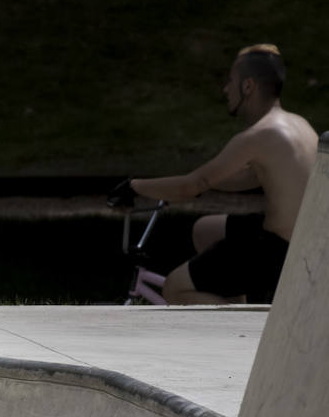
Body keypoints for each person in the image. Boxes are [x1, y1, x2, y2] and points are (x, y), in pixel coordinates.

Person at [107, 44, 317, 304]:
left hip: (279, 250)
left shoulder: (258, 135)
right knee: (204, 230)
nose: (225, 89)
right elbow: (244, 178)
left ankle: (240, 331)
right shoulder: (299, 125)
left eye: (231, 81)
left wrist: (134, 186)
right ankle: (231, 298)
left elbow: (191, 186)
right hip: (304, 239)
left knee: (175, 289)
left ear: (248, 86)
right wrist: (190, 182)